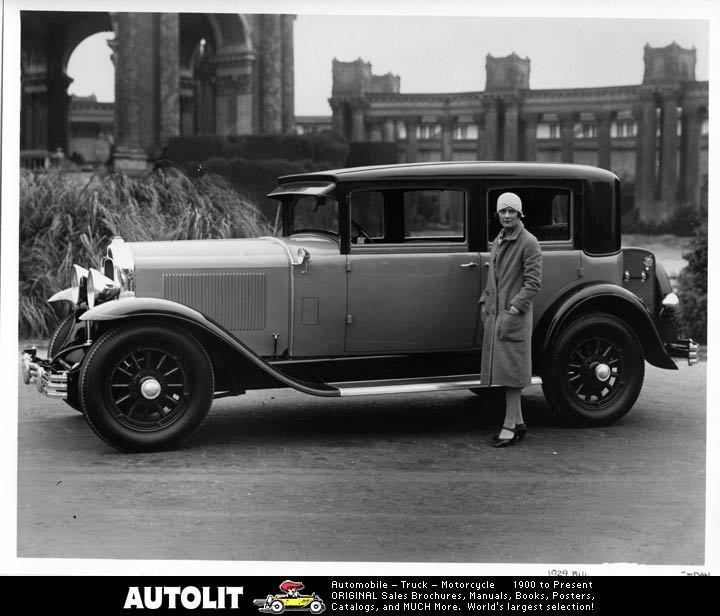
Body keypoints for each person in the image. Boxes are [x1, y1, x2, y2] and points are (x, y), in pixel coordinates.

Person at [479, 192, 543, 448]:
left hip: (512, 317)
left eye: (511, 211)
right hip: (496, 314)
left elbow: (533, 284)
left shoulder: (529, 242)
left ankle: (508, 426)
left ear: (520, 214)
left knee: (512, 374)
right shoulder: (499, 240)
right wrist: (484, 301)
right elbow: (493, 277)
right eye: (503, 211)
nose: (506, 215)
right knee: (506, 372)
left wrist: (514, 309)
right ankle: (518, 422)